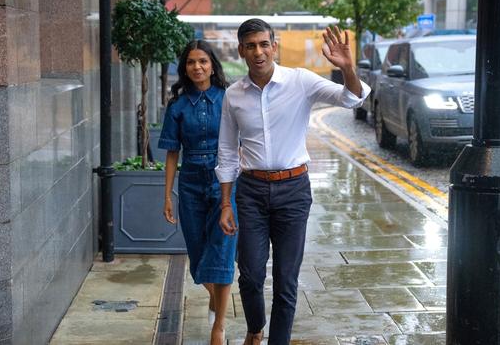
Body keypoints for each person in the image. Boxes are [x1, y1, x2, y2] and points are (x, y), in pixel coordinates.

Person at [215, 19, 371, 344]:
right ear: (241, 50)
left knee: (286, 280)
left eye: (264, 44)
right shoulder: (234, 95)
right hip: (251, 192)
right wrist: (225, 203)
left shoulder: (300, 81)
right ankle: (255, 328)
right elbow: (228, 152)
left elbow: (352, 99)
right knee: (251, 276)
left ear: (275, 46)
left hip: (293, 191)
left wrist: (348, 68)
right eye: (251, 46)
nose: (259, 52)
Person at [158, 39, 236, 344]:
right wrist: (167, 196)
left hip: (224, 182)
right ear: (184, 67)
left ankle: (219, 326)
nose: (197, 67)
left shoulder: (228, 98)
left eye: (203, 61)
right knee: (199, 255)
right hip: (189, 183)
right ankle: (217, 299)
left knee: (223, 250)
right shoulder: (177, 106)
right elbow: (172, 154)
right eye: (191, 62)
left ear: (212, 65)